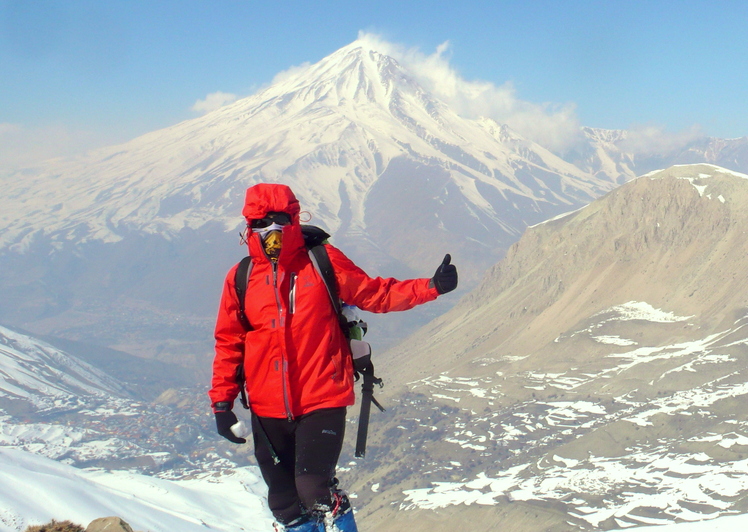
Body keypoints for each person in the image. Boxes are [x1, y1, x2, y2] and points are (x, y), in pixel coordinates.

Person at [209, 183, 458, 531]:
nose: (271, 231)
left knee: (314, 491)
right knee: (283, 503)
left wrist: (431, 287)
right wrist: (222, 404)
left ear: (294, 219)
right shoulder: (241, 277)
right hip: (267, 407)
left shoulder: (322, 261)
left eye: (279, 219)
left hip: (321, 396)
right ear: (248, 227)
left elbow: (375, 293)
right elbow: (229, 342)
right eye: (260, 223)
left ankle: (340, 520)